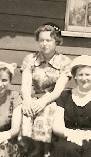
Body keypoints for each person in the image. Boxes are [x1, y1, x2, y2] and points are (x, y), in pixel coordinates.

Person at [20, 22, 72, 156]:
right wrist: (26, 100)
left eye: (48, 40)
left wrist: (42, 102)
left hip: (52, 100)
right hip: (32, 97)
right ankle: (27, 150)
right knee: (23, 112)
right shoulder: (30, 59)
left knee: (47, 111)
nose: (44, 44)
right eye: (41, 40)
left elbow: (57, 91)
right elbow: (25, 85)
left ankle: (44, 151)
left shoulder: (64, 62)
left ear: (56, 41)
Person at [51, 55, 91, 157]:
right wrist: (72, 134)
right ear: (75, 76)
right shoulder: (64, 96)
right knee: (65, 150)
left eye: (87, 74)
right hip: (69, 139)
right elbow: (57, 127)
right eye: (80, 74)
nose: (84, 78)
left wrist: (85, 135)